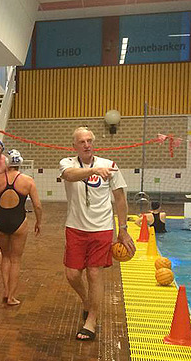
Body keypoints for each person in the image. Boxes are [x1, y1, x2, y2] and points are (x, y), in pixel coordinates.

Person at [60, 127, 135, 341]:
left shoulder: (109, 166)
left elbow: (120, 199)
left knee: (94, 273)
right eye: (82, 142)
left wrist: (123, 230)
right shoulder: (68, 163)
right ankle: (87, 300)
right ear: (74, 146)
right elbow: (69, 176)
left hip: (102, 228)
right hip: (75, 227)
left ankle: (91, 320)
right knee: (72, 274)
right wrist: (92, 171)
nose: (86, 145)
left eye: (89, 141)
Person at [0, 150, 42, 306]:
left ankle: (6, 291)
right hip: (19, 222)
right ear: (20, 163)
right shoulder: (28, 181)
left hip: (0, 221)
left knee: (5, 257)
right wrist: (39, 222)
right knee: (16, 260)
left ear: (7, 163)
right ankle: (12, 297)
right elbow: (37, 205)